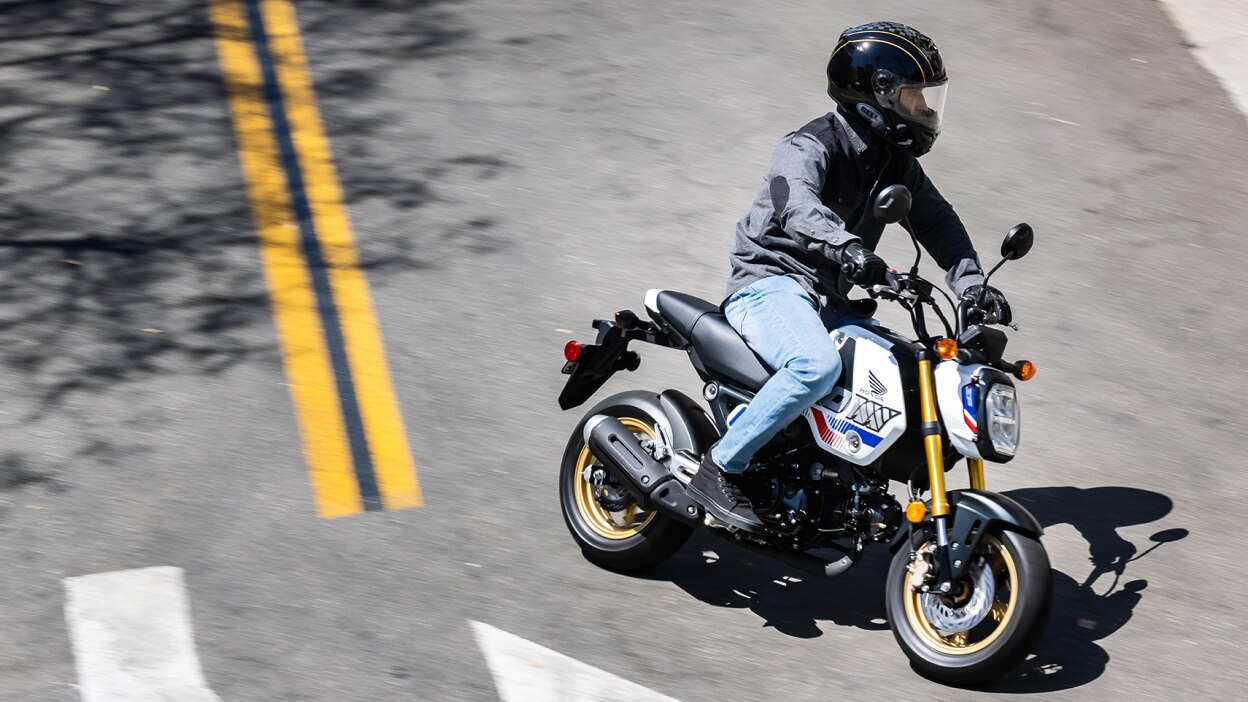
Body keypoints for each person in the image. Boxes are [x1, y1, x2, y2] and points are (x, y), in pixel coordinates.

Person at [687, 22, 1012, 531]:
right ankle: (721, 467)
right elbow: (795, 204)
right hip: (770, 283)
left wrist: (973, 285)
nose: (925, 110)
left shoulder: (895, 162)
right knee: (815, 367)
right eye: (913, 97)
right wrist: (852, 251)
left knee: (907, 372)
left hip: (829, 297)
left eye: (928, 99)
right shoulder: (809, 145)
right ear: (874, 95)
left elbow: (938, 223)